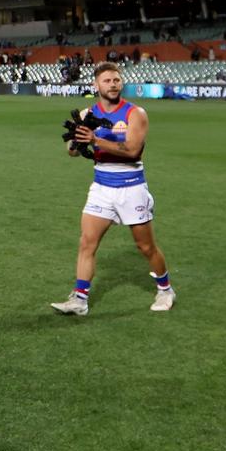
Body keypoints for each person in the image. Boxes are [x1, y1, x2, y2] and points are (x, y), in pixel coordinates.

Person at [51, 61, 175, 315]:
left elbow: (132, 150)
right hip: (101, 187)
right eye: (107, 81)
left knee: (146, 247)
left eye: (116, 80)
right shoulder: (87, 115)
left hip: (131, 187)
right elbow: (72, 153)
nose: (113, 84)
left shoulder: (135, 114)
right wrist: (76, 141)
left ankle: (165, 289)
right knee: (87, 243)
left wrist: (96, 139)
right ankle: (80, 299)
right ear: (95, 85)